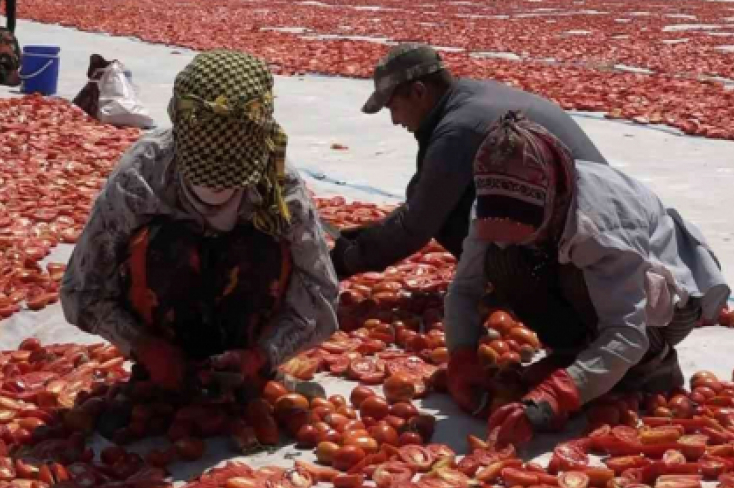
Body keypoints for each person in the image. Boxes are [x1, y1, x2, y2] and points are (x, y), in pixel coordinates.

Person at [61, 50, 338, 395]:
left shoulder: (280, 188)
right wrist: (143, 346)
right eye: (202, 172)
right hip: (159, 324)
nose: (216, 188)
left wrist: (264, 354)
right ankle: (163, 371)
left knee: (262, 245)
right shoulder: (142, 176)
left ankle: (246, 372)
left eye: (231, 176)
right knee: (166, 243)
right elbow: (81, 289)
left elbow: (320, 292)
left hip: (249, 328)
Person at [443, 112, 729, 445]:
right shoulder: (496, 199)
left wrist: (558, 394)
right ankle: (579, 357)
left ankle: (652, 367)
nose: (516, 235)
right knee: (504, 260)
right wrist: (460, 354)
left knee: (577, 276)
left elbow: (626, 331)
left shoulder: (601, 222)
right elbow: (465, 288)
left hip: (667, 307)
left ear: (556, 196)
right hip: (595, 280)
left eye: (527, 224)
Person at [330, 43, 606, 280]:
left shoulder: (459, 129)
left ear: (418, 92)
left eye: (393, 107)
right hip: (598, 218)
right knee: (441, 198)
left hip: (593, 241)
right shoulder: (472, 96)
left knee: (446, 213)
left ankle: (532, 287)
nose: (395, 120)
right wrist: (366, 236)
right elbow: (423, 195)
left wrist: (343, 261)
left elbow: (418, 223)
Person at [73, 54, 155, 128]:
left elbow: (80, 102)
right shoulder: (121, 73)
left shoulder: (101, 75)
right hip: (141, 118)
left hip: (112, 116)